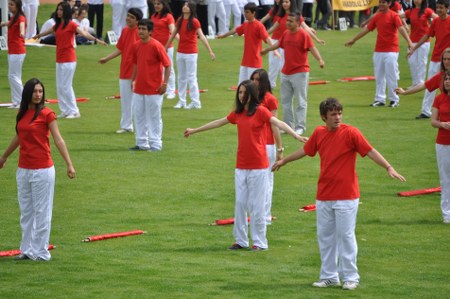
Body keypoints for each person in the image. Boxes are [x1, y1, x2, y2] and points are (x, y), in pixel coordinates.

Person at [272, 97, 406, 290]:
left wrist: (388, 167)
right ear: (323, 117)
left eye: (339, 113)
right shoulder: (319, 133)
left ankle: (351, 277)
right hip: (324, 195)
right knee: (325, 237)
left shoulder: (351, 133)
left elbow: (370, 151)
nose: (338, 117)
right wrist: (284, 161)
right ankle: (329, 276)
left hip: (347, 196)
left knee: (346, 236)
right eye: (333, 114)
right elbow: (305, 150)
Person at [184, 80, 307, 251]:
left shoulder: (261, 111)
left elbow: (279, 123)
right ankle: (241, 240)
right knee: (241, 203)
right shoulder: (238, 114)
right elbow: (219, 122)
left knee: (257, 205)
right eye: (239, 93)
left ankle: (260, 242)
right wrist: (194, 130)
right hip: (241, 166)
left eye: (244, 92)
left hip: (259, 167)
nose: (241, 96)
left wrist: (296, 136)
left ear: (251, 94)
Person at [0, 78, 76, 261]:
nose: (38, 95)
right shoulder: (22, 113)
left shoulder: (47, 114)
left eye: (40, 91)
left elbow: (58, 139)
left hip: (42, 170)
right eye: (34, 91)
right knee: (26, 212)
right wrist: (4, 156)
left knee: (42, 211)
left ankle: (41, 252)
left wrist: (69, 164)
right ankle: (26, 250)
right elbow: (19, 137)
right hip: (23, 170)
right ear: (28, 93)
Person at [33, 1, 106, 119]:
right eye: (58, 9)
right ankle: (65, 110)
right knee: (60, 86)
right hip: (59, 59)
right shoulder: (57, 25)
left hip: (69, 59)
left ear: (66, 11)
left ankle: (74, 111)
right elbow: (48, 32)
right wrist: (37, 36)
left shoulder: (72, 24)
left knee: (66, 86)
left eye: (61, 10)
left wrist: (97, 40)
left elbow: (84, 33)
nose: (58, 12)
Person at [261, 12, 325, 135]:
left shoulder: (303, 35)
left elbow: (312, 48)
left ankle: (300, 126)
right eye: (287, 20)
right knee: (286, 101)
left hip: (300, 72)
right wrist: (266, 50)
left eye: (290, 21)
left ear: (297, 23)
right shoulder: (286, 33)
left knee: (301, 101)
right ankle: (288, 126)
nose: (287, 23)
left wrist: (320, 60)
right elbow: (278, 45)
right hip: (285, 73)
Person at [345, 0, 413, 108]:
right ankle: (380, 99)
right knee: (379, 76)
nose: (381, 4)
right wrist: (354, 39)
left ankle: (394, 99)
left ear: (389, 4)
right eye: (380, 2)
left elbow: (401, 29)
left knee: (391, 76)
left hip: (391, 50)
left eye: (384, 2)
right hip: (378, 51)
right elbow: (366, 29)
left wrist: (409, 42)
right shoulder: (377, 16)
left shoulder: (394, 16)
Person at [129, 18, 170, 152]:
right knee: (138, 115)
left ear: (150, 32)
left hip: (154, 89)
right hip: (139, 88)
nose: (140, 31)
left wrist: (165, 83)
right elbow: (135, 63)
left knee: (154, 117)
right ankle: (141, 143)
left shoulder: (157, 46)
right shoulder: (136, 45)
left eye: (143, 29)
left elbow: (167, 65)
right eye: (139, 28)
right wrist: (133, 79)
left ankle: (156, 144)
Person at [99, 8, 142, 134]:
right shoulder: (125, 31)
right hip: (124, 70)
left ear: (137, 20)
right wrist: (106, 59)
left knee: (136, 102)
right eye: (128, 16)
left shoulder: (140, 33)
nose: (128, 18)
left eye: (132, 17)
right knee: (125, 100)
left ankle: (135, 126)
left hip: (136, 71)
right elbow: (120, 49)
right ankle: (126, 125)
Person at [165, 1, 215, 109]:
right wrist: (165, 47)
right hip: (180, 52)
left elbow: (201, 36)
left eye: (187, 5)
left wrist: (210, 51)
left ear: (191, 8)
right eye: (184, 5)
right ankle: (182, 101)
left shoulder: (194, 21)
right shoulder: (179, 20)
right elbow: (173, 34)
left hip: (191, 53)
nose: (184, 7)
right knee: (181, 77)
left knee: (191, 77)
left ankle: (195, 102)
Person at [266, 0, 325, 88]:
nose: (284, 4)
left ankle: (285, 84)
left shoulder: (296, 16)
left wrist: (317, 39)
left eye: (287, 2)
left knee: (284, 64)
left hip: (287, 43)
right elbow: (272, 28)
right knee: (272, 64)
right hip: (276, 41)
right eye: (283, 2)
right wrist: (262, 35)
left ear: (291, 3)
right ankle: (270, 85)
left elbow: (306, 28)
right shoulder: (280, 14)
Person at [407, 0, 450, 119]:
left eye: (441, 8)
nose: (439, 10)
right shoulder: (436, 21)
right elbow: (427, 35)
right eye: (438, 8)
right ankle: (426, 111)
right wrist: (414, 48)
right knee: (430, 84)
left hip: (448, 60)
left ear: (447, 8)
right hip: (436, 59)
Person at [250, 69, 283, 224]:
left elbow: (275, 125)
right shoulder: (250, 98)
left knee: (267, 181)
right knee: (256, 181)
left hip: (268, 144)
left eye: (258, 79)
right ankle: (258, 214)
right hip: (254, 145)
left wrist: (279, 148)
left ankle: (265, 216)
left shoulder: (270, 99)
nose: (255, 82)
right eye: (253, 79)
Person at [217, 3, 274, 85]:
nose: (245, 14)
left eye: (247, 12)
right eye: (245, 12)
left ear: (253, 13)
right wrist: (223, 35)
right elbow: (235, 30)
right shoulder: (246, 24)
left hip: (255, 62)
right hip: (245, 61)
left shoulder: (259, 26)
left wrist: (273, 49)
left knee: (253, 86)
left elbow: (267, 38)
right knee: (241, 85)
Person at [396, 48, 450, 113]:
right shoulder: (441, 76)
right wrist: (405, 92)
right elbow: (423, 85)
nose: (446, 62)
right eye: (444, 59)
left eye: (449, 59)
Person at [401, 0, 437, 87]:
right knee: (412, 61)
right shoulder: (410, 11)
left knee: (421, 62)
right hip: (412, 40)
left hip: (424, 41)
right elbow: (397, 16)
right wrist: (404, 25)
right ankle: (415, 82)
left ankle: (420, 83)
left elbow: (437, 18)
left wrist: (432, 25)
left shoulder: (427, 11)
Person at [431, 70, 450, 224]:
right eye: (446, 80)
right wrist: (442, 124)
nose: (448, 82)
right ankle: (446, 214)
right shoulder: (439, 99)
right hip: (443, 143)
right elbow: (433, 121)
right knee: (445, 179)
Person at [0, 0, 26, 109]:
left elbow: (22, 25)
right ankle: (17, 101)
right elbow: (7, 23)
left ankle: (23, 100)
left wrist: (22, 32)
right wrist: (3, 23)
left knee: (13, 76)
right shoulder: (13, 18)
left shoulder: (20, 18)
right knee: (14, 76)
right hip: (13, 51)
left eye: (12, 5)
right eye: (9, 4)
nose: (9, 7)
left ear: (17, 6)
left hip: (17, 51)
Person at [151, 0, 176, 99]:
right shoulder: (153, 16)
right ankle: (161, 87)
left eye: (158, 4)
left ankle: (171, 91)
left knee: (169, 67)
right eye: (155, 4)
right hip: (155, 46)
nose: (156, 6)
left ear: (163, 5)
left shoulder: (168, 17)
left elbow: (173, 31)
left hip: (167, 47)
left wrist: (166, 46)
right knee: (157, 68)